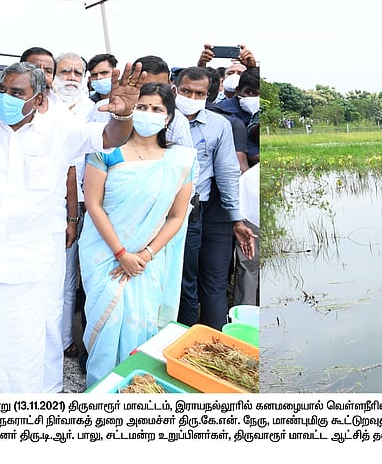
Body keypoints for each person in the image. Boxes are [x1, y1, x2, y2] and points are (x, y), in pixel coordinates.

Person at [0, 60, 144, 393]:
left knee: (38, 342)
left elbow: (109, 137)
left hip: (41, 263)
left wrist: (122, 115)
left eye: (17, 93)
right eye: (3, 91)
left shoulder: (60, 130)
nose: (6, 99)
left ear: (40, 100)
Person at [81, 82, 197, 385]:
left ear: (169, 117)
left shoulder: (182, 160)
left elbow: (177, 215)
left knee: (141, 327)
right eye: (142, 107)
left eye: (157, 109)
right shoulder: (106, 151)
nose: (148, 114)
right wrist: (122, 254)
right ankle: (103, 389)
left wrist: (144, 255)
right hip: (105, 256)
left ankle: (138, 391)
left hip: (149, 261)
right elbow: (93, 205)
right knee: (105, 326)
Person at [173, 67, 256, 330]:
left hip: (206, 209)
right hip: (167, 212)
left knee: (214, 283)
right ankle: (173, 340)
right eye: (186, 91)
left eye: (199, 93)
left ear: (208, 95)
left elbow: (228, 172)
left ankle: (214, 343)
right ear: (175, 88)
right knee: (179, 284)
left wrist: (236, 219)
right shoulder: (162, 119)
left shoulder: (219, 125)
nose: (192, 97)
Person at [52, 52, 95, 362]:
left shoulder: (97, 111)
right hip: (55, 205)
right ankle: (60, 339)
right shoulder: (44, 108)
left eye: (77, 73)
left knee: (88, 279)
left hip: (91, 206)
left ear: (85, 78)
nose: (70, 77)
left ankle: (80, 340)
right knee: (60, 276)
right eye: (64, 71)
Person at [233, 122, 260, 307]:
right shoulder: (248, 177)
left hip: (250, 215)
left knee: (248, 267)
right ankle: (245, 313)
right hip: (250, 217)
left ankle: (245, 312)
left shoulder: (249, 176)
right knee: (249, 264)